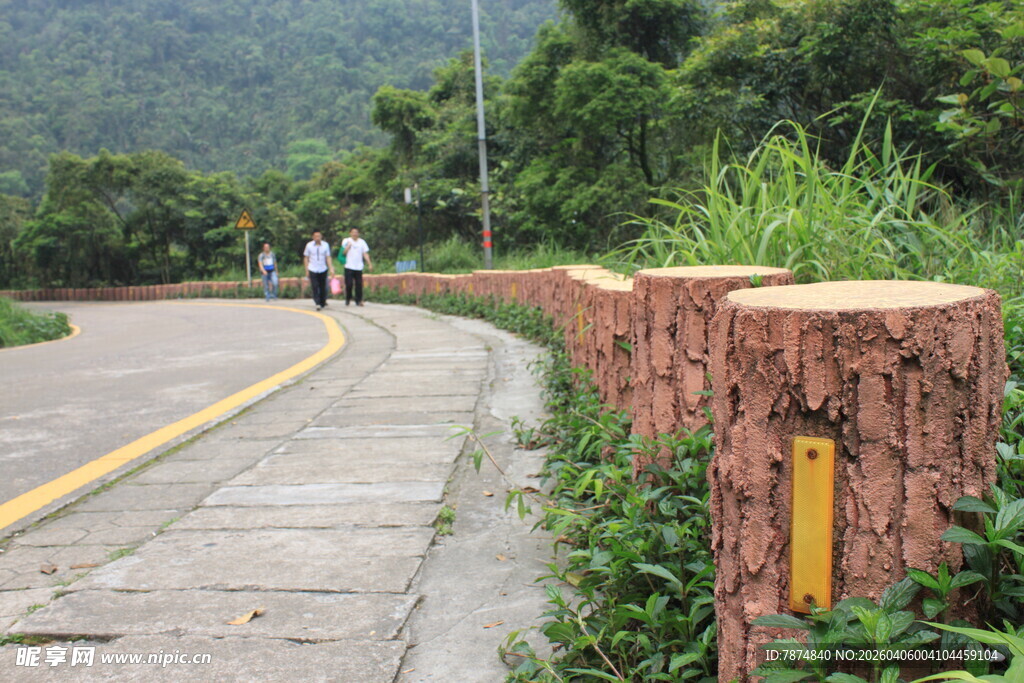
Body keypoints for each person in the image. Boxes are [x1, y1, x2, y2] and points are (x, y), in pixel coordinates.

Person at [303, 230, 335, 310]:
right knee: (315, 286)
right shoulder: (309, 245)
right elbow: (306, 258)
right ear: (313, 237)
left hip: (323, 268)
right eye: (316, 236)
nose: (317, 238)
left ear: (321, 237)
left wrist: (331, 268)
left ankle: (322, 301)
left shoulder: (325, 245)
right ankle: (317, 302)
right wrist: (306, 269)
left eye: (319, 236)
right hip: (312, 268)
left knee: (323, 286)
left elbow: (328, 257)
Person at [340, 228, 373, 306]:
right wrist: (348, 247)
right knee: (349, 284)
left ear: (358, 233)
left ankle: (358, 300)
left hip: (358, 266)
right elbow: (343, 253)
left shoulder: (362, 242)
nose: (355, 234)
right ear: (350, 233)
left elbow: (365, 253)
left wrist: (369, 264)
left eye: (356, 232)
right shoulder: (346, 241)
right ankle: (348, 298)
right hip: (348, 266)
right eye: (353, 232)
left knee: (359, 284)